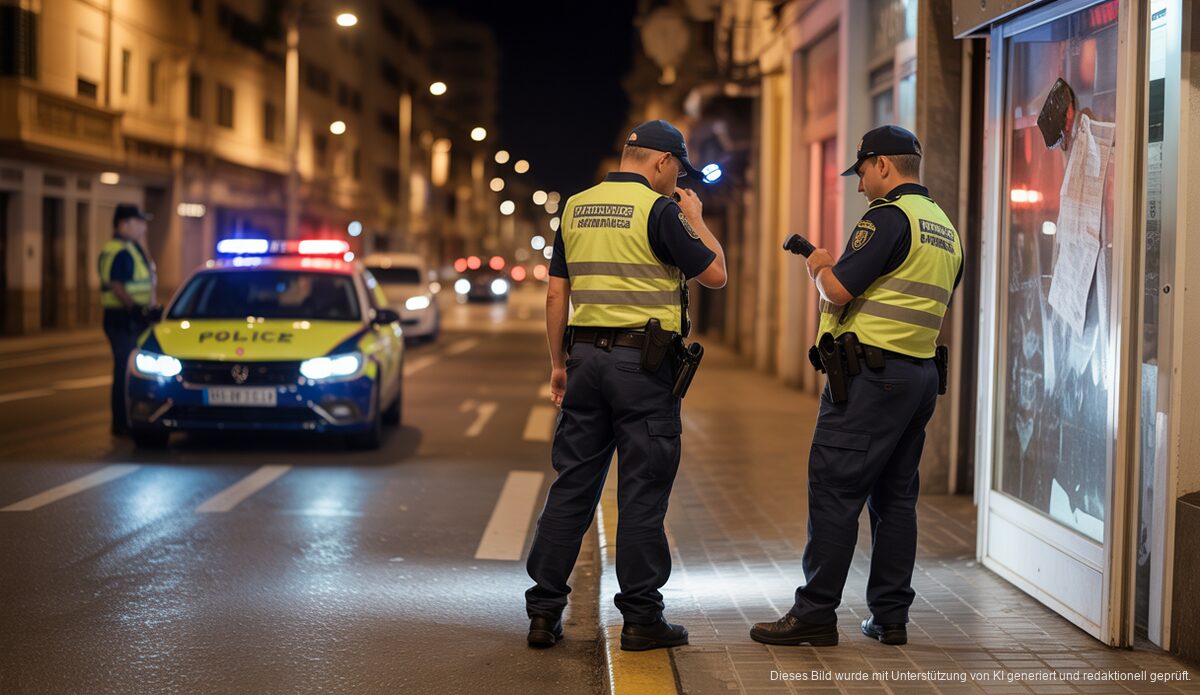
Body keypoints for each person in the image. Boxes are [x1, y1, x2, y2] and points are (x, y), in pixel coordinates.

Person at [750, 125, 963, 648]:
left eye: (863, 171)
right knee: (896, 499)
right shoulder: (944, 227)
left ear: (884, 166)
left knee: (836, 489)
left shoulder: (887, 218)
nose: (860, 183)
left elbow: (839, 289)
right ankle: (890, 617)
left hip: (871, 380)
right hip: (917, 379)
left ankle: (816, 613)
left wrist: (820, 266)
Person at [524, 120, 727, 651]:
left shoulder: (574, 207)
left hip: (585, 358)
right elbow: (715, 274)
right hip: (644, 367)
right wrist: (696, 220)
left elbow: (555, 295)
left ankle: (544, 612)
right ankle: (641, 619)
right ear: (661, 162)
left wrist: (558, 364)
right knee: (642, 492)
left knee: (573, 485)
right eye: (676, 170)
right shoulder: (661, 211)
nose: (676, 180)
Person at [98, 203, 157, 436]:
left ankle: (127, 419)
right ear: (124, 223)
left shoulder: (131, 248)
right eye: (138, 222)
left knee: (130, 369)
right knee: (125, 371)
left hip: (131, 317)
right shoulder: (121, 250)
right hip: (123, 318)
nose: (143, 227)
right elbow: (116, 285)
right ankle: (122, 423)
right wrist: (135, 308)